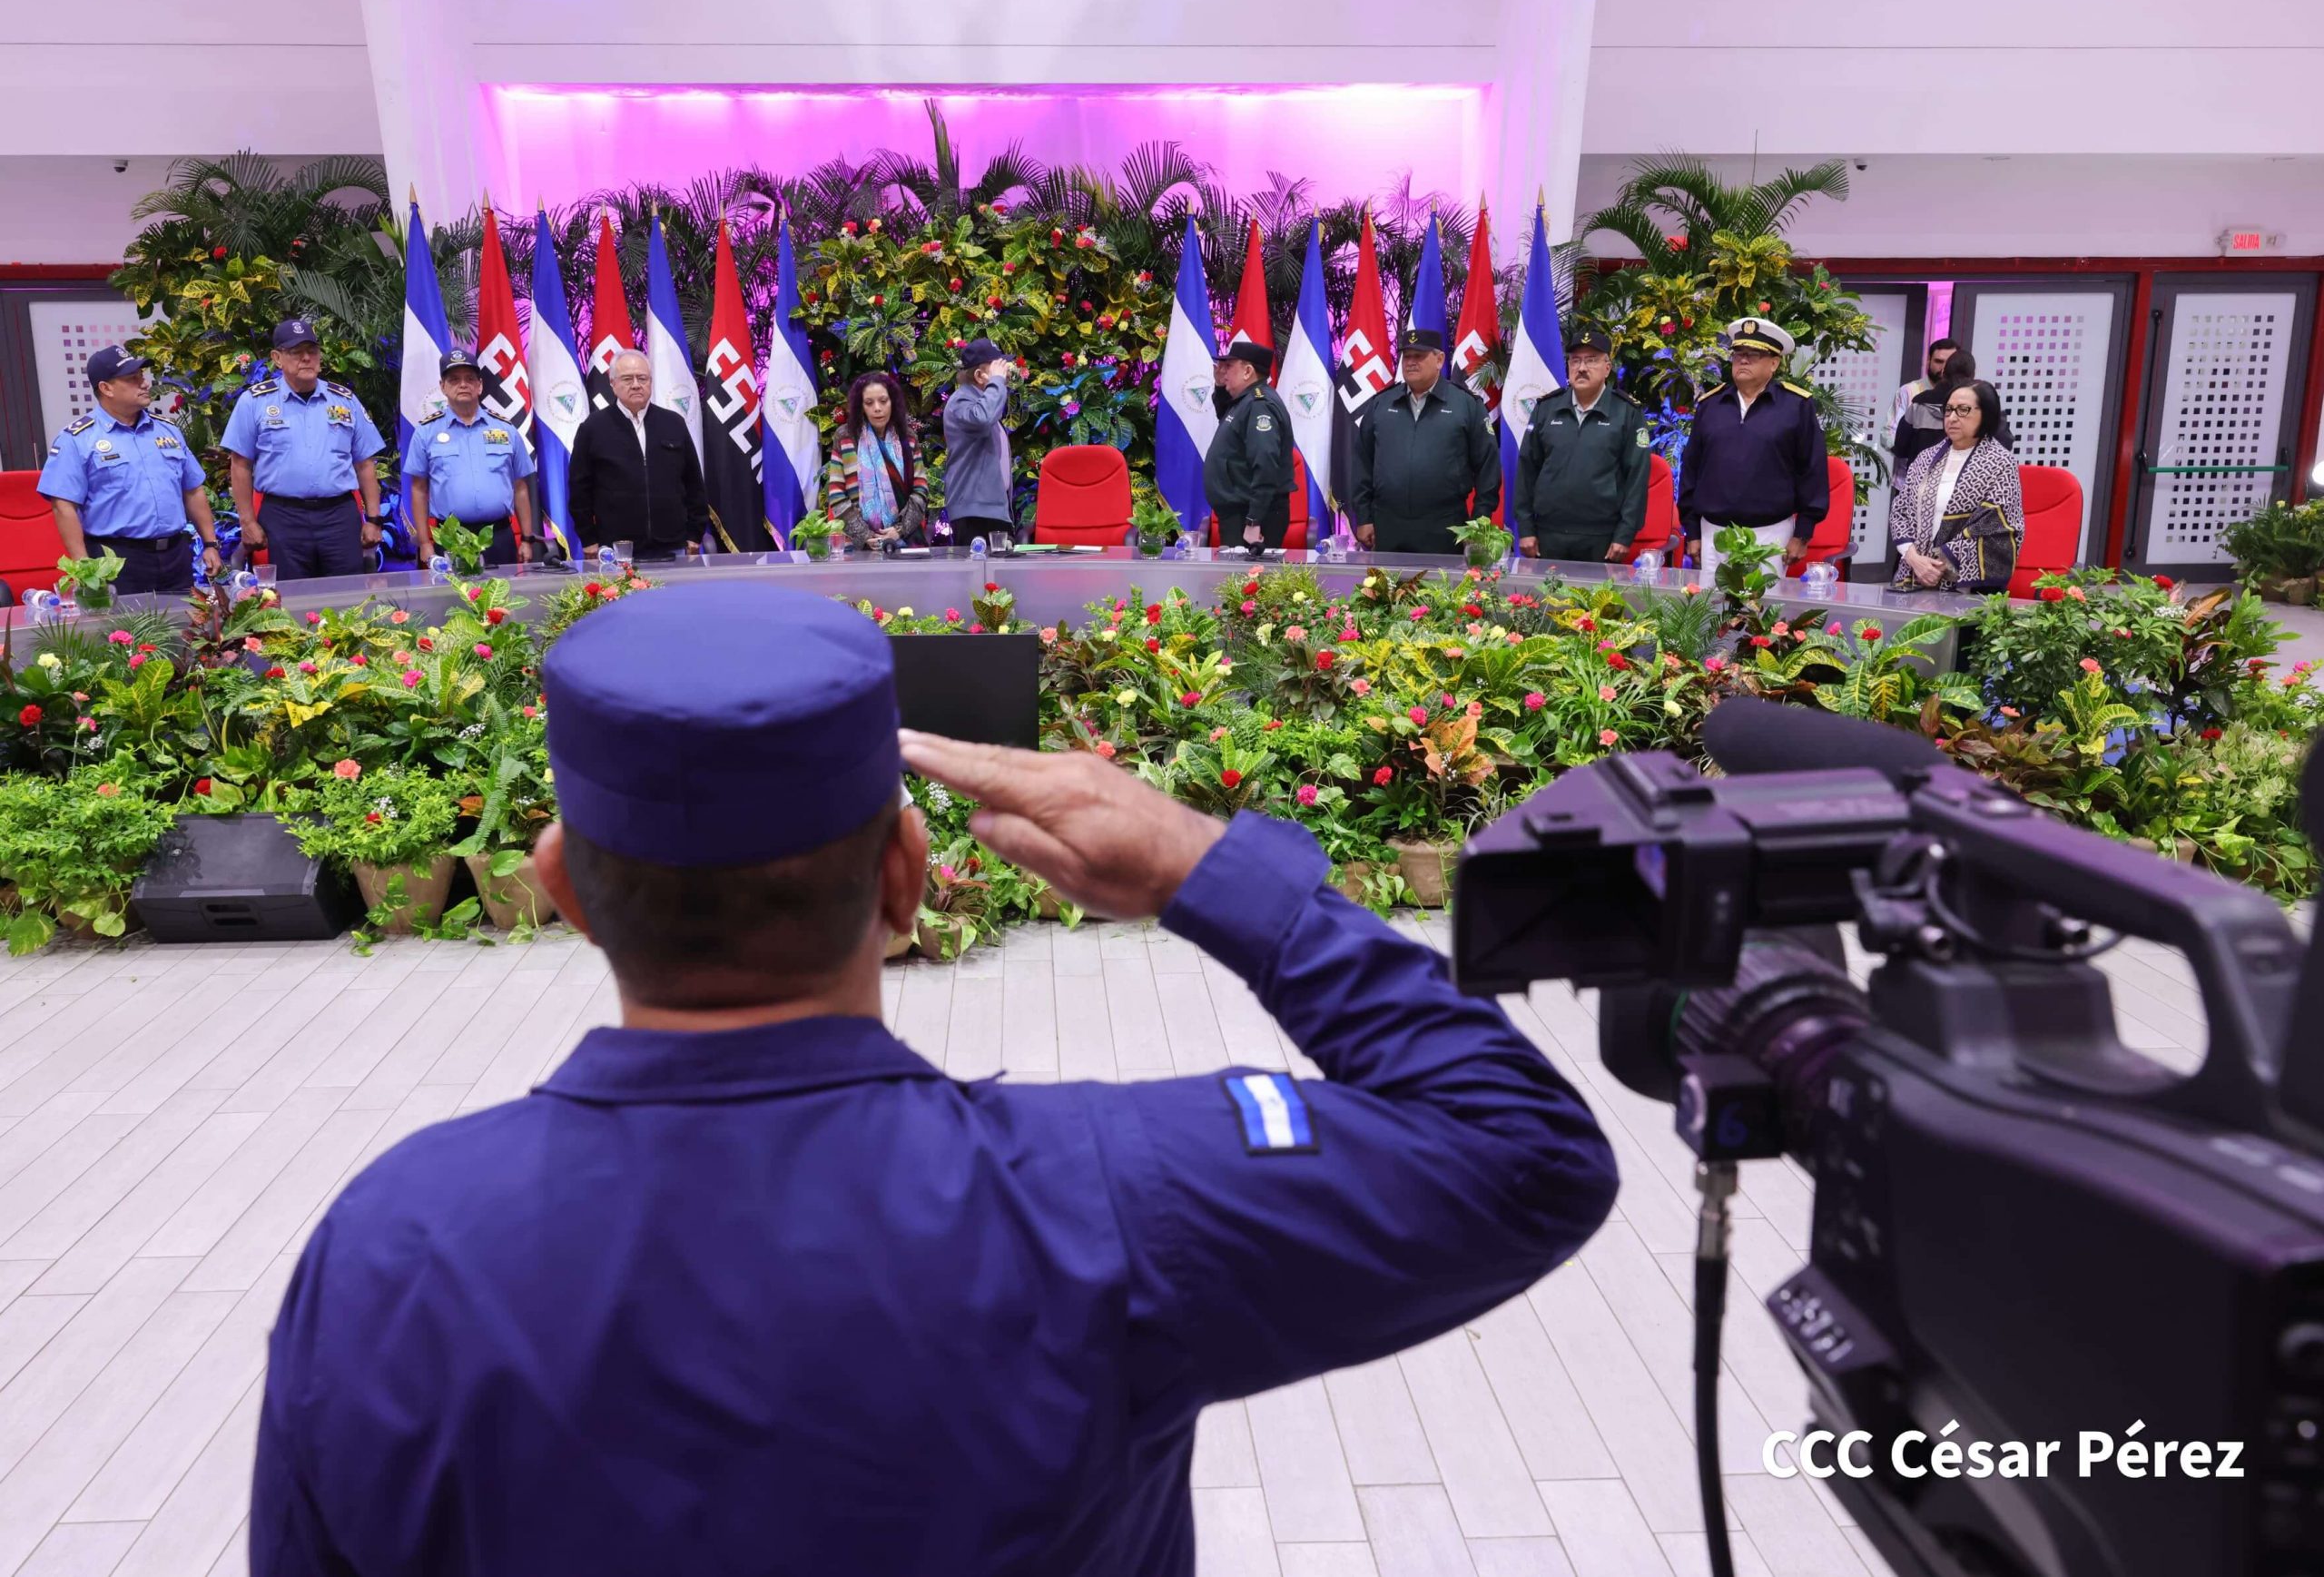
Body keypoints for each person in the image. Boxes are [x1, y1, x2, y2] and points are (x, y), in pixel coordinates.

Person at [250, 581, 1619, 1577]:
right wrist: (1211, 865)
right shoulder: (1106, 1204)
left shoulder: (390, 1245)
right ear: (906, 879)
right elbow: (1524, 1149)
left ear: (560, 888)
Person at [37, 344, 222, 594]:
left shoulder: (167, 431)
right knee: (125, 632)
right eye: (132, 379)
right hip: (116, 559)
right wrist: (84, 568)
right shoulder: (78, 439)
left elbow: (192, 490)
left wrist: (210, 543)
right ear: (106, 388)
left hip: (176, 555)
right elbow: (64, 506)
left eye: (142, 376)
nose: (144, 383)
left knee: (185, 629)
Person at [221, 318, 386, 581]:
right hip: (283, 517)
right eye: (296, 352)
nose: (306, 358)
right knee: (289, 600)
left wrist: (374, 519)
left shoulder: (345, 400)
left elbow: (365, 463)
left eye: (312, 351)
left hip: (339, 517)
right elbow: (240, 465)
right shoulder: (254, 402)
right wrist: (247, 522)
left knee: (349, 599)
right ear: (277, 358)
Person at [1678, 317, 1829, 576]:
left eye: (1753, 355)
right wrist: (1692, 530)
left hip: (1770, 535)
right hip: (1713, 533)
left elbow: (1812, 470)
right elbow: (1691, 469)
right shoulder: (1710, 405)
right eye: (1738, 354)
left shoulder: (1795, 406)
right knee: (1712, 613)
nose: (1743, 360)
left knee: (1763, 614)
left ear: (1774, 363)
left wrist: (1803, 533)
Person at [1350, 326, 1500, 555]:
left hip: (1446, 527)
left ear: (1439, 360)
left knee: (1442, 590)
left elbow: (1488, 468)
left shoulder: (1466, 405)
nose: (1410, 362)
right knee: (1384, 590)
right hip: (1387, 526)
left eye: (1419, 356)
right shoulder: (1381, 405)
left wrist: (1479, 524)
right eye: (1406, 356)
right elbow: (1361, 464)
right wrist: (1363, 517)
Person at [1511, 325, 1651, 563]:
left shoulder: (1626, 412)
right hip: (1548, 535)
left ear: (1607, 368)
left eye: (1592, 361)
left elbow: (1637, 478)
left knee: (1598, 601)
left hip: (1603, 538)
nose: (1582, 368)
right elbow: (1526, 470)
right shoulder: (1546, 409)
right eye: (1575, 361)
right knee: (1545, 600)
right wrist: (1525, 528)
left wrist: (1625, 535)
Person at [567, 348, 709, 560]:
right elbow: (579, 490)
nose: (636, 384)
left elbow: (694, 483)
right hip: (616, 550)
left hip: (673, 547)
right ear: (613, 384)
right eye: (627, 379)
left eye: (642, 378)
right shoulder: (593, 428)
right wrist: (588, 540)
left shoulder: (673, 423)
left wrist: (694, 536)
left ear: (651, 382)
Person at [405, 348, 539, 569]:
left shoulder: (505, 429)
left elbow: (520, 487)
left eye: (470, 379)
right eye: (454, 380)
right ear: (442, 387)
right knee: (452, 601)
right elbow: (419, 490)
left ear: (480, 385)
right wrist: (424, 543)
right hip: (450, 538)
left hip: (499, 537)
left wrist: (526, 538)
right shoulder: (426, 432)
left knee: (501, 600)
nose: (463, 385)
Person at [1889, 377, 2023, 594]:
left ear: (1985, 415)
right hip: (1915, 574)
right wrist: (1915, 560)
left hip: (1966, 587)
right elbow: (1900, 512)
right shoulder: (1925, 458)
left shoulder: (2001, 463)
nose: (1952, 418)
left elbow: (1997, 527)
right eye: (1949, 409)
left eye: (1963, 410)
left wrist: (1940, 564)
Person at [1206, 339, 1297, 556]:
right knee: (1238, 585)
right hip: (1240, 513)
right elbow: (1227, 419)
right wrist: (1220, 387)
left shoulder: (1259, 405)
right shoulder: (1245, 401)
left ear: (1247, 371)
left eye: (1229, 366)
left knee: (1250, 584)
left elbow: (1265, 464)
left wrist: (1254, 520)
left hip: (1253, 516)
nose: (1223, 370)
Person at [827, 372, 931, 548]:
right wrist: (865, 535)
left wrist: (899, 530)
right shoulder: (845, 437)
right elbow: (837, 493)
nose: (877, 408)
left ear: (893, 402)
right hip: (858, 545)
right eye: (869, 403)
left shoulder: (908, 438)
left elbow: (921, 489)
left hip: (904, 541)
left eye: (883, 401)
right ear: (861, 406)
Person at [1891, 348, 2012, 477]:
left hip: (1922, 482)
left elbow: (1900, 449)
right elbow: (2005, 444)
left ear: (1944, 372)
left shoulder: (1918, 405)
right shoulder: (1984, 406)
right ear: (1972, 375)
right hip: (1970, 483)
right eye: (1949, 410)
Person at [940, 340, 1014, 548]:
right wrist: (997, 382)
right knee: (976, 578)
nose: (1004, 372)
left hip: (991, 510)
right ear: (980, 376)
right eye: (997, 368)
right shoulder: (961, 401)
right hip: (974, 513)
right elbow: (981, 418)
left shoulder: (982, 401)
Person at [1883, 337, 1958, 455]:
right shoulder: (1908, 391)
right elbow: (1890, 431)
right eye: (1938, 361)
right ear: (1928, 360)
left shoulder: (1964, 395)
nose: (1943, 368)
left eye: (1949, 363)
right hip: (1910, 468)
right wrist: (1909, 452)